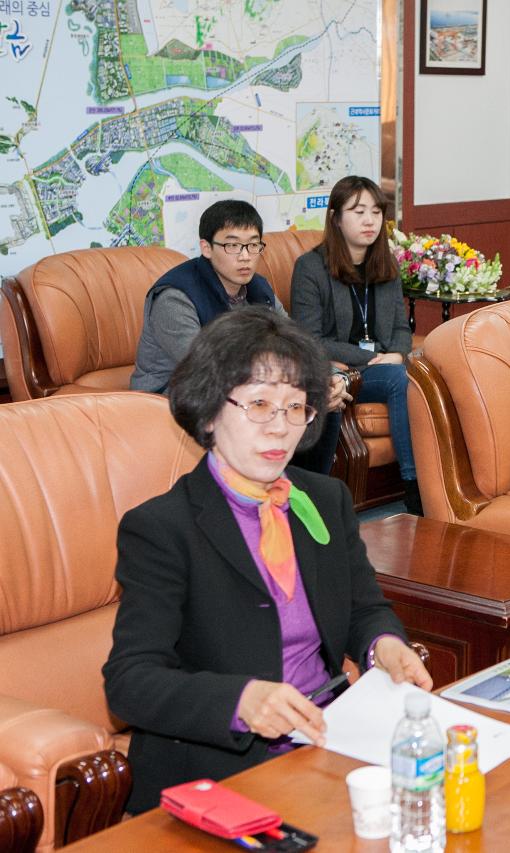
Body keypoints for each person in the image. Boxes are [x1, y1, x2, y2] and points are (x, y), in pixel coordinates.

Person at [104, 307, 431, 813]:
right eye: (259, 405)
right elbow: (130, 682)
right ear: (211, 411)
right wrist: (241, 701)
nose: (280, 429)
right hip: (217, 775)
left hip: (326, 743)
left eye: (296, 408)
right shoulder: (162, 529)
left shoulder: (323, 498)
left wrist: (384, 647)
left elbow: (364, 609)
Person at [130, 199, 349, 474]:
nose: (245, 256)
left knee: (320, 400)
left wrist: (330, 377)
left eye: (253, 245)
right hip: (170, 394)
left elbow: (296, 345)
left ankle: (301, 497)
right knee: (272, 404)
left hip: (245, 385)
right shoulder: (175, 297)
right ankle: (260, 496)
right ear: (206, 248)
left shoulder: (258, 288)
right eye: (232, 245)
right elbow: (203, 367)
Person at [290, 176, 421, 514]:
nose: (369, 220)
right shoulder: (310, 268)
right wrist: (376, 357)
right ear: (335, 217)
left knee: (418, 373)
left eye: (376, 212)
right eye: (358, 211)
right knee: (397, 378)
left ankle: (435, 484)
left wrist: (397, 353)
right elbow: (310, 340)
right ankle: (415, 489)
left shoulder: (385, 264)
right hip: (343, 370)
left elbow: (399, 328)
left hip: (382, 365)